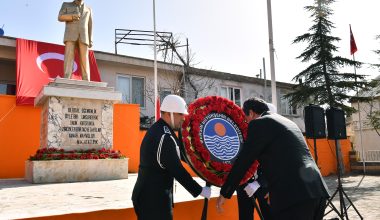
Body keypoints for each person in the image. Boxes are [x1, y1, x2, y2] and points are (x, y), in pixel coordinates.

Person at [217, 97, 330, 220]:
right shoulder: (287, 122)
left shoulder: (258, 123)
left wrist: (225, 192)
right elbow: (283, 159)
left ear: (251, 113)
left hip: (294, 197)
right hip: (317, 190)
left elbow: (244, 160)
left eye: (246, 119)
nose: (247, 123)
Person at [132, 95, 211, 220]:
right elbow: (178, 170)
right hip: (153, 201)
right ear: (169, 114)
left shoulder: (161, 129)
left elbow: (180, 153)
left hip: (151, 196)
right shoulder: (164, 136)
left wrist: (203, 162)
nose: (183, 118)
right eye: (181, 114)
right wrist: (199, 190)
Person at [58, 0, 92, 81]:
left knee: (85, 59)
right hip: (70, 34)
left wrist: (90, 39)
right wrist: (72, 16)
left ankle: (86, 79)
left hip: (84, 36)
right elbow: (60, 17)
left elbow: (90, 25)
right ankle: (67, 77)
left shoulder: (88, 9)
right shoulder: (66, 4)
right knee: (69, 57)